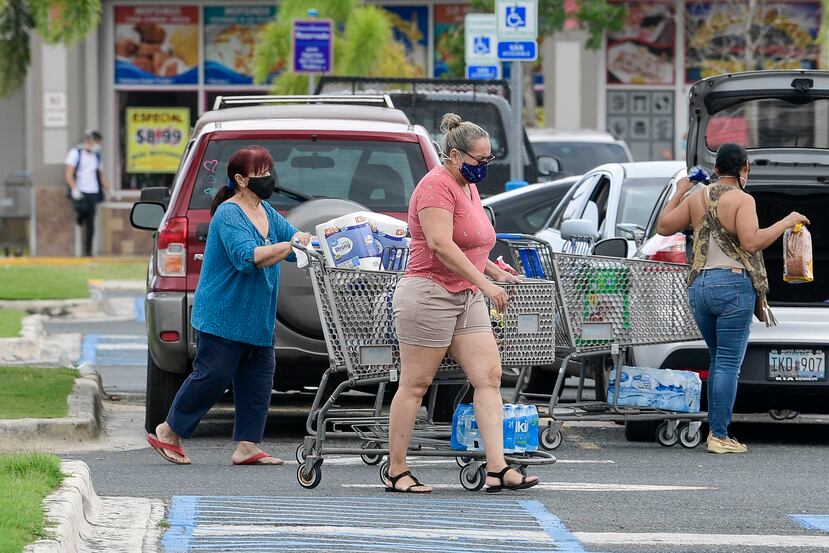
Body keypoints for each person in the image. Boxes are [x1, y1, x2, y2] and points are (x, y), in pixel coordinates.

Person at [386, 113, 539, 493]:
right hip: (429, 294)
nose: (484, 167)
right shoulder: (435, 187)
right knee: (416, 384)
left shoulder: (467, 186)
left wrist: (493, 270)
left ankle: (497, 468)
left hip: (465, 294)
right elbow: (440, 244)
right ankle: (397, 470)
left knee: (487, 378)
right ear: (454, 155)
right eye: (479, 161)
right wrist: (486, 284)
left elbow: (469, 241)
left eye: (488, 160)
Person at [146, 145, 310, 466]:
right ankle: (169, 430)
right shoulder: (229, 213)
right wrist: (289, 244)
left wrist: (310, 241)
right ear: (241, 180)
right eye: (261, 174)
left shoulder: (265, 211)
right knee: (213, 376)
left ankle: (247, 445)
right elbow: (247, 257)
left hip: (256, 318)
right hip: (223, 315)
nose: (269, 179)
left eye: (269, 172)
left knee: (258, 378)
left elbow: (292, 242)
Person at [657, 143, 809, 454]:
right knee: (727, 363)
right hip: (733, 285)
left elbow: (664, 226)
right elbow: (752, 243)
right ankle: (720, 435)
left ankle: (717, 431)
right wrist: (786, 220)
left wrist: (682, 189)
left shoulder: (696, 198)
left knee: (718, 361)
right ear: (743, 170)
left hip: (700, 287)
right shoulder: (743, 199)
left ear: (715, 170)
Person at [64, 131, 110, 257]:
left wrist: (110, 188)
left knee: (91, 222)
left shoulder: (97, 156)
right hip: (80, 190)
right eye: (97, 142)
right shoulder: (76, 153)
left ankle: (88, 249)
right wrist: (75, 189)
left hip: (93, 191)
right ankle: (80, 218)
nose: (98, 145)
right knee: (81, 211)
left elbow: (100, 175)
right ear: (90, 140)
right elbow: (68, 173)